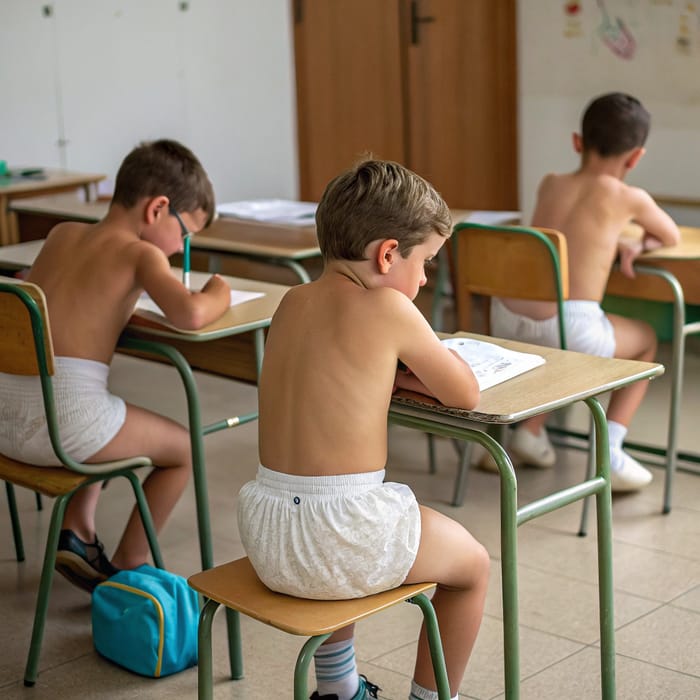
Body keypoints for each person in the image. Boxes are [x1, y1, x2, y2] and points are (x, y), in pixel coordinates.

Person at [237, 159, 490, 700]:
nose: (423, 278)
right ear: (387, 254)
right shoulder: (389, 307)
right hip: (338, 538)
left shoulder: (292, 301)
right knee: (472, 565)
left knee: (339, 518)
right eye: (424, 263)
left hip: (267, 531)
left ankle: (340, 688)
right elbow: (465, 392)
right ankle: (429, 698)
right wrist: (410, 378)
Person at [0, 139, 231, 591]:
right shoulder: (139, 254)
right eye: (184, 233)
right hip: (64, 428)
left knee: (107, 407)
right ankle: (129, 567)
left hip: (7, 421)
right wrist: (216, 291)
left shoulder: (62, 234)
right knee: (183, 449)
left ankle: (78, 528)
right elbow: (190, 314)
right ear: (158, 208)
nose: (182, 246)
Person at [485, 92, 681, 492]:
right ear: (636, 157)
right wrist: (638, 245)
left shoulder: (550, 183)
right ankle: (609, 450)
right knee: (644, 342)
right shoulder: (629, 196)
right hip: (568, 328)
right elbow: (670, 234)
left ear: (578, 142)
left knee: (552, 353)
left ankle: (530, 431)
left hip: (506, 319)